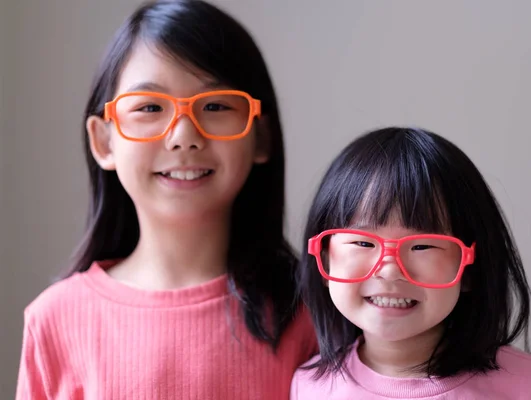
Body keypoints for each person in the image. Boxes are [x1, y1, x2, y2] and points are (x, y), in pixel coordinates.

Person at [16, 1, 317, 398]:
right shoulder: (54, 320)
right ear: (103, 141)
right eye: (150, 108)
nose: (183, 135)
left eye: (215, 106)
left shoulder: (312, 313)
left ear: (260, 136)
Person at [292, 127, 531, 399]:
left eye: (422, 245)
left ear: (469, 267)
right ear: (325, 260)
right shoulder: (309, 388)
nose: (389, 270)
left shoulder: (528, 385)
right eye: (363, 243)